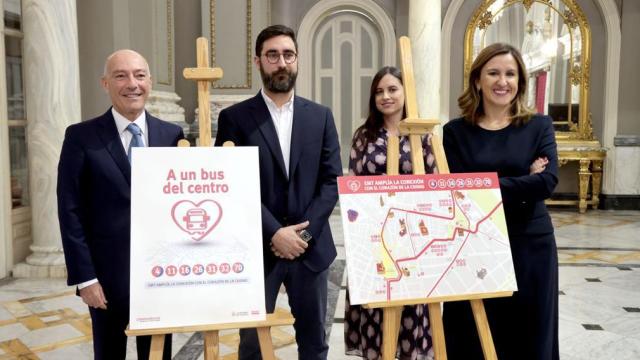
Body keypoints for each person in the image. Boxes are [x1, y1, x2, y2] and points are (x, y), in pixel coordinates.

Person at [214, 25, 342, 360]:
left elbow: (332, 182)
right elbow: (229, 184)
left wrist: (304, 233)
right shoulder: (235, 118)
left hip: (310, 250)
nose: (281, 62)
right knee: (252, 346)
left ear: (297, 60)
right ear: (258, 61)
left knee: (315, 343)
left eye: (288, 54)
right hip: (257, 249)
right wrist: (275, 232)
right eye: (272, 55)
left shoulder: (321, 117)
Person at [57, 49, 184, 360]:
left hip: (160, 278)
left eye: (139, 75)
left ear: (150, 82)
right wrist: (85, 278)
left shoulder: (173, 136)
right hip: (105, 281)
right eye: (121, 75)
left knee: (158, 357)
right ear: (105, 83)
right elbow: (69, 210)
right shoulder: (80, 137)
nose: (132, 84)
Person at [442, 42, 559, 360]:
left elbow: (547, 182)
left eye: (510, 73)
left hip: (530, 245)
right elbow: (458, 191)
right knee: (471, 335)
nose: (502, 81)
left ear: (520, 81)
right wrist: (524, 181)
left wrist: (484, 184)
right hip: (473, 243)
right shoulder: (454, 132)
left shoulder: (539, 126)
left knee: (529, 335)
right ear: (477, 79)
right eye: (493, 73)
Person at [344, 66, 436, 360]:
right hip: (376, 241)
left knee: (411, 307)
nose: (386, 96)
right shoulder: (364, 136)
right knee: (378, 312)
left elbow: (434, 185)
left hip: (413, 242)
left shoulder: (423, 137)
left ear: (405, 92)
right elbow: (353, 186)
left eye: (392, 89)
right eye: (379, 91)